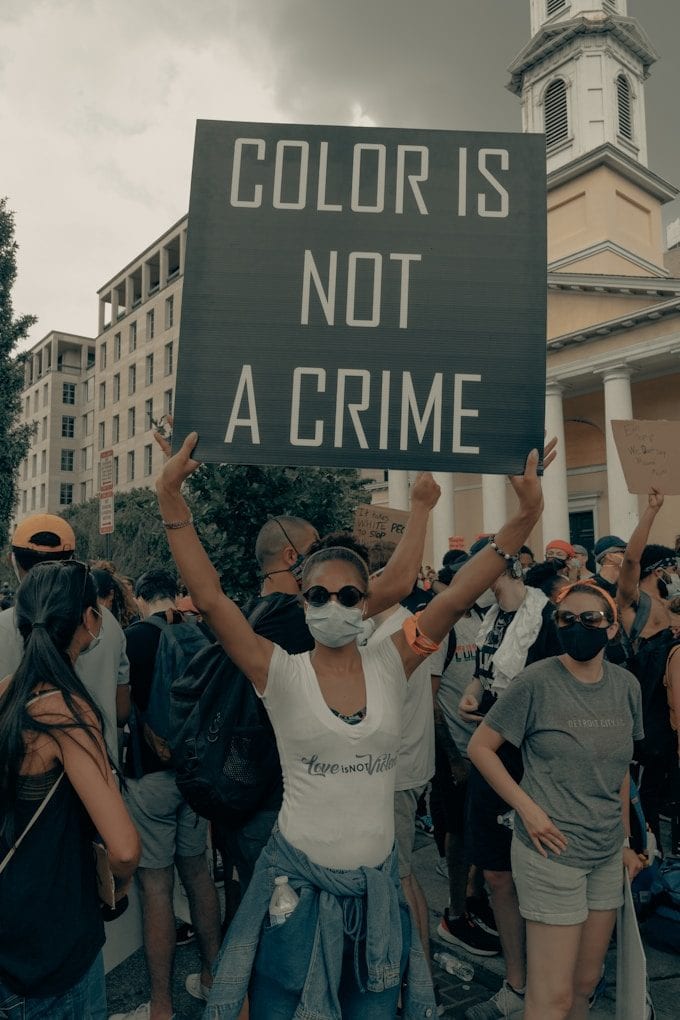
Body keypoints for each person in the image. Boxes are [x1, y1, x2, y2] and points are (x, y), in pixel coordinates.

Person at [155, 431, 554, 1020]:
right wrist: (169, 494)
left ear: (366, 601)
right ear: (304, 599)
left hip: (376, 894)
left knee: (371, 1008)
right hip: (293, 893)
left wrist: (528, 513)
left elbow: (464, 588)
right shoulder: (278, 672)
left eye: (349, 595)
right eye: (320, 593)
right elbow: (212, 599)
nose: (335, 603)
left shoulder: (395, 658)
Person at [468, 581, 645, 1020]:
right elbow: (481, 747)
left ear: (610, 630)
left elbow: (621, 768)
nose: (577, 626)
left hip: (604, 853)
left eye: (590, 619)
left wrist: (624, 840)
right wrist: (528, 809)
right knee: (550, 999)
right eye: (567, 619)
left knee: (584, 987)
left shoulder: (626, 686)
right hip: (552, 852)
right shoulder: (535, 681)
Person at [0, 560, 140, 1019]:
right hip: (54, 944)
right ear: (87, 621)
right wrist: (113, 883)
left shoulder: (6, 694)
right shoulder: (67, 715)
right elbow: (123, 848)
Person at [459, 539, 562, 1020]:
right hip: (491, 750)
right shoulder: (492, 619)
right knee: (497, 870)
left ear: (499, 570)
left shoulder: (544, 619)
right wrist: (474, 692)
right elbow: (485, 670)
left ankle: (550, 982)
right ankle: (516, 982)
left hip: (535, 758)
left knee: (540, 869)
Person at [114, 568, 222, 1020]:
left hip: (150, 777)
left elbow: (120, 709)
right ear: (173, 595)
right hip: (195, 776)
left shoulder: (133, 638)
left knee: (156, 887)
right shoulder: (199, 631)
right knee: (198, 876)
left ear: (140, 597)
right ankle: (216, 979)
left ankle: (161, 1006)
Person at [0, 515, 131, 768]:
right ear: (71, 562)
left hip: (23, 787)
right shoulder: (108, 624)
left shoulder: (5, 624)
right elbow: (122, 711)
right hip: (103, 769)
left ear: (12, 561)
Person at [431, 556, 500, 957]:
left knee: (482, 829)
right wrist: (453, 758)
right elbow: (431, 696)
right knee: (457, 833)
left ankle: (474, 900)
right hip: (456, 751)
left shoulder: (488, 621)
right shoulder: (446, 625)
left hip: (485, 750)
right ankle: (455, 915)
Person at [616, 488, 679, 848]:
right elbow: (630, 561)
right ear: (657, 571)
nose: (676, 573)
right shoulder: (634, 603)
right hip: (645, 720)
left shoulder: (673, 606)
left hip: (670, 721)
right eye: (672, 568)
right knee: (648, 808)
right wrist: (652, 512)